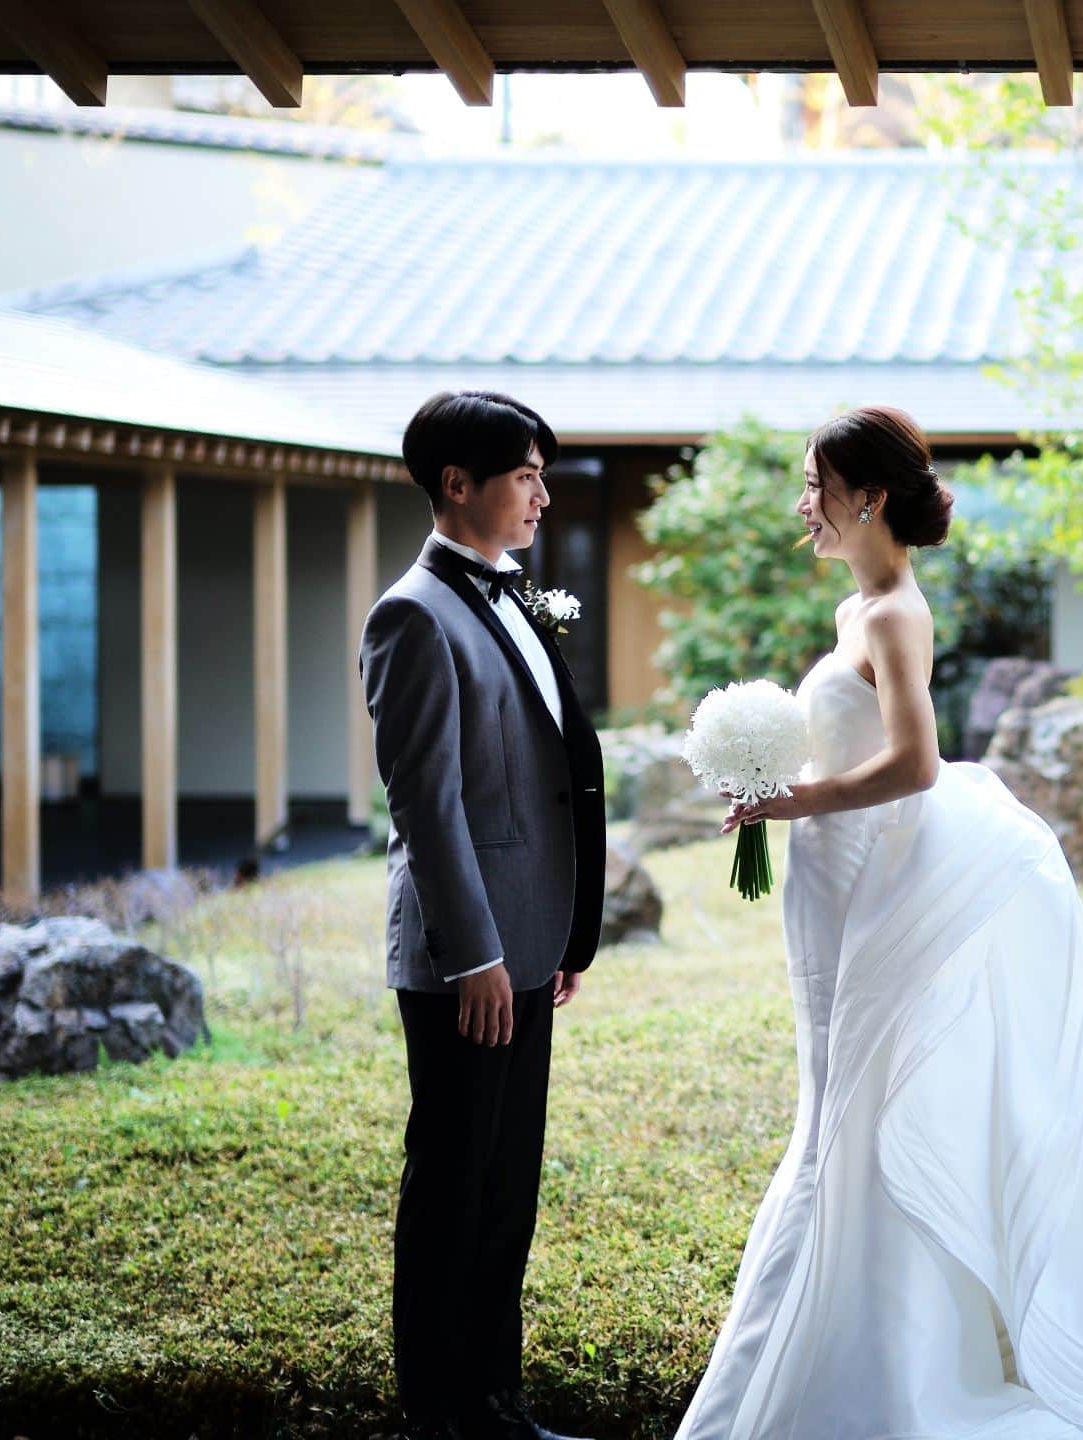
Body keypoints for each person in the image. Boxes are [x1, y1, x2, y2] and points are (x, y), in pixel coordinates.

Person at [677, 405, 1083, 1440]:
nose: (803, 505)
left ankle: (876, 1370)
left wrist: (791, 799)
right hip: (830, 883)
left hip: (870, 882)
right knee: (832, 1105)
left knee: (857, 1110)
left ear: (868, 497)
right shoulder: (856, 608)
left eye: (815, 486)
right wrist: (775, 774)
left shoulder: (893, 615)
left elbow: (916, 764)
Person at [360, 390, 606, 1440]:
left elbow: (552, 775)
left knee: (508, 1189)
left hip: (530, 942)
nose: (543, 496)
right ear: (457, 484)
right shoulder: (414, 614)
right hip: (469, 961)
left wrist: (564, 932)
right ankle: (441, 1415)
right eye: (526, 476)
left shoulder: (515, 595)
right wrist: (475, 958)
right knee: (453, 1187)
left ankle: (498, 1405)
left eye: (543, 475)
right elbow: (426, 803)